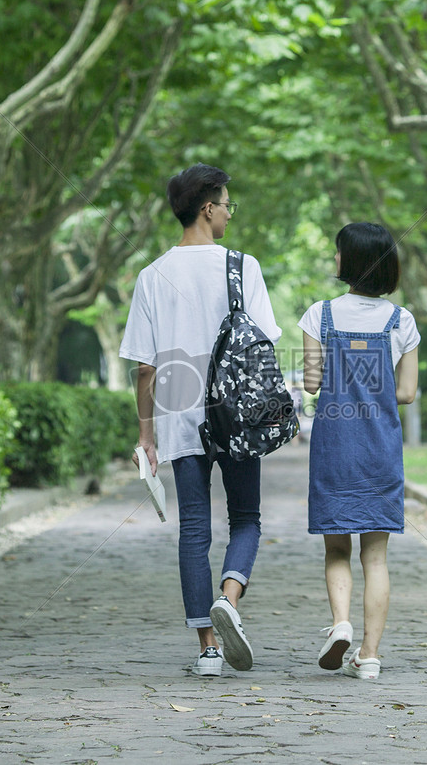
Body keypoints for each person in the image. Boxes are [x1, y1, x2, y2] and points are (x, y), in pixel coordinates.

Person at [119, 163, 282, 677]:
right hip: (238, 416)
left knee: (194, 528)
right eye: (228, 204)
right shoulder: (242, 266)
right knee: (247, 519)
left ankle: (209, 650)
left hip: (178, 416)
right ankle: (229, 598)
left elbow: (145, 368)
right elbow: (263, 341)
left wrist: (146, 435)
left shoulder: (152, 276)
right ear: (208, 208)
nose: (230, 214)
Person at [299, 222, 420, 680]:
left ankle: (340, 623)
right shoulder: (401, 321)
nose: (334, 259)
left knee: (337, 550)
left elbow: (311, 383)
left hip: (334, 446)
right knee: (376, 557)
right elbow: (407, 392)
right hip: (380, 449)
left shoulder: (320, 315)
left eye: (337, 253)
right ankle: (369, 655)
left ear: (350, 261)